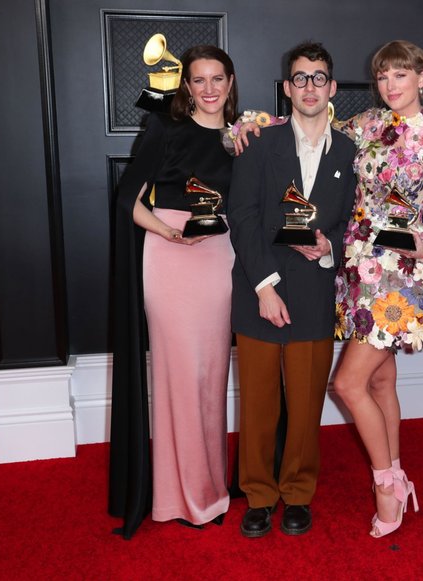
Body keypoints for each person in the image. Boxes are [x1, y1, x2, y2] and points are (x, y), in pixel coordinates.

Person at [109, 45, 240, 537]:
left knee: (211, 376)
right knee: (180, 377)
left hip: (218, 258)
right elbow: (128, 198)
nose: (209, 89)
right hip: (169, 256)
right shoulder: (165, 127)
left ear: (230, 83)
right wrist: (170, 234)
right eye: (199, 80)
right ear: (186, 85)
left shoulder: (239, 137)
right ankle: (180, 497)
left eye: (217, 79)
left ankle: (210, 485)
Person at [332, 40, 423, 538]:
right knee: (381, 382)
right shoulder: (364, 125)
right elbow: (317, 129)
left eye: (400, 76)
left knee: (347, 384)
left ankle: (385, 484)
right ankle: (401, 476)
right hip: (359, 268)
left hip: (402, 277)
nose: (391, 85)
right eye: (383, 76)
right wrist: (257, 123)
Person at [227, 42, 357, 538]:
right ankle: (258, 496)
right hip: (260, 289)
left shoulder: (348, 151)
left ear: (332, 88)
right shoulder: (259, 143)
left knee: (305, 407)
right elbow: (241, 215)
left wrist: (329, 246)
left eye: (318, 77)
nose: (309, 87)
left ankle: (298, 493)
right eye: (299, 78)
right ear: (287, 88)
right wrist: (264, 285)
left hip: (313, 293)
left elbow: (351, 224)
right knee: (258, 405)